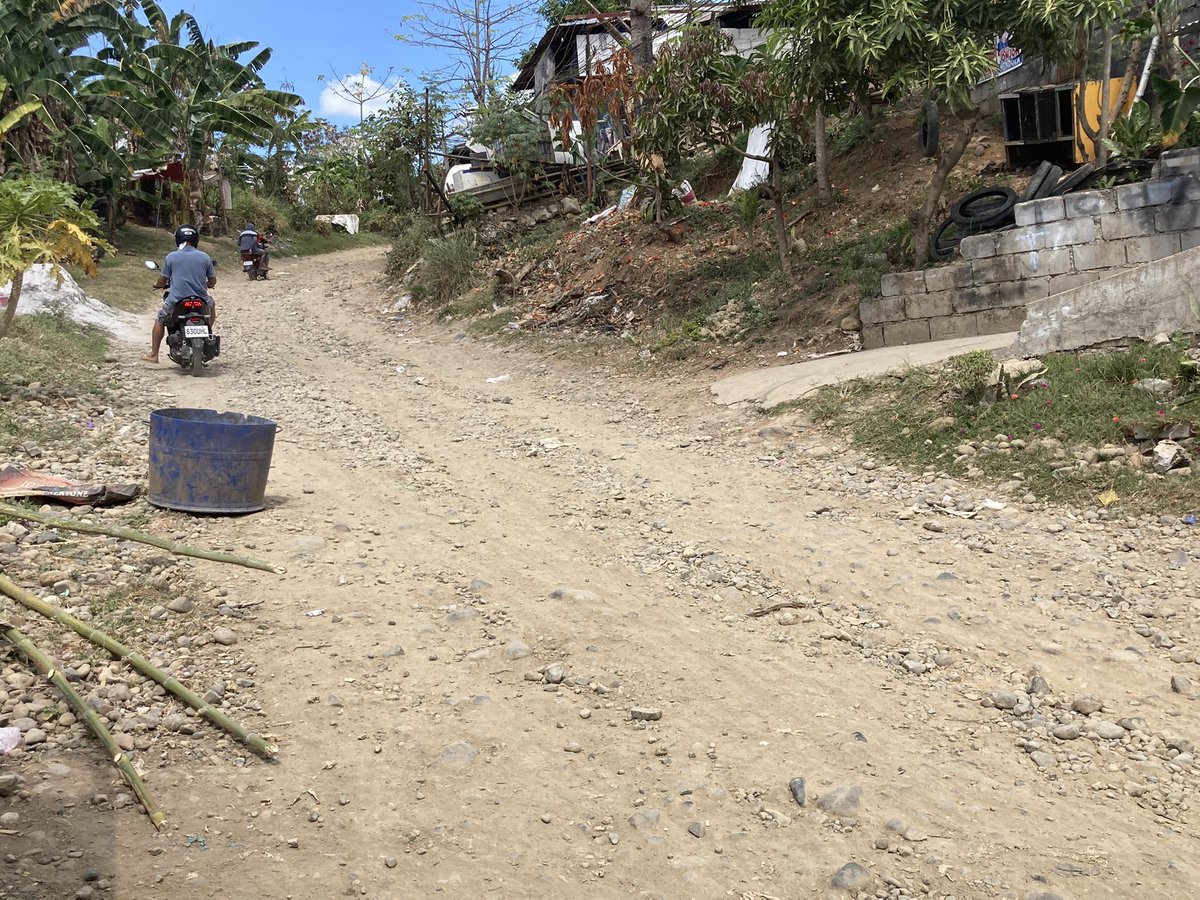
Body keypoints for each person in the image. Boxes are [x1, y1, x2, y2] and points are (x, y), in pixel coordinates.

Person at [143, 224, 216, 364]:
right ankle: (207, 329)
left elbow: (163, 279)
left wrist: (158, 285)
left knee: (160, 319)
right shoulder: (205, 257)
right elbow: (212, 281)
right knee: (211, 307)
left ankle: (154, 354)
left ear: (178, 239)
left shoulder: (171, 257)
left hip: (177, 299)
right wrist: (208, 285)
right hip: (201, 299)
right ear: (196, 239)